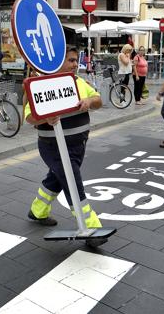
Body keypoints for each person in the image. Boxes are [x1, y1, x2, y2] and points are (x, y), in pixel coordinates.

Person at [25, 45, 103, 230]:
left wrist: (89, 101)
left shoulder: (79, 82)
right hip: (52, 146)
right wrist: (45, 117)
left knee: (56, 178)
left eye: (76, 60)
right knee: (71, 181)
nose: (75, 64)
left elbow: (99, 100)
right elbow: (29, 117)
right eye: (71, 60)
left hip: (78, 145)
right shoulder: (41, 85)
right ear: (57, 62)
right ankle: (90, 226)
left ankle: (37, 210)